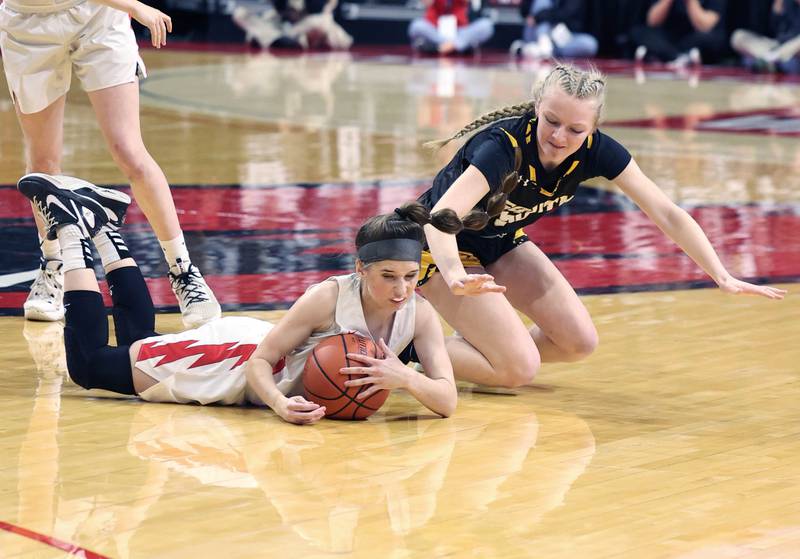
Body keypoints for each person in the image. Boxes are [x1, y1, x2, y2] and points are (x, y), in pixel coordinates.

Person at [414, 63, 787, 389]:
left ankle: (486, 349)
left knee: (578, 342)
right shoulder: (504, 146)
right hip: (433, 246)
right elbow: (440, 218)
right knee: (518, 370)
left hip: (497, 241)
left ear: (593, 128)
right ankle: (406, 347)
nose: (559, 137)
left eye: (575, 130)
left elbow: (667, 212)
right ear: (537, 108)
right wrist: (455, 274)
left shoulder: (599, 152)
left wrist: (721, 275)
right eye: (552, 121)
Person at [16, 173, 458, 425]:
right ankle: (74, 230)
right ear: (361, 269)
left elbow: (447, 401)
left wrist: (404, 378)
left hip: (250, 371)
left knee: (141, 342)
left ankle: (106, 224)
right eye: (388, 277)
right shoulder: (327, 297)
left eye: (409, 276)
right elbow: (259, 364)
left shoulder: (419, 315)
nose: (402, 289)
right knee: (89, 366)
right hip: (232, 363)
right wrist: (281, 404)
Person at [0, 0, 220, 327]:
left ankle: (184, 271)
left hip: (98, 14)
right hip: (27, 22)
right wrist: (135, 6)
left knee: (128, 149)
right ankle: (53, 266)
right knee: (43, 162)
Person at [629, 0, 728, 66]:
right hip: (668, 38)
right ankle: (678, 57)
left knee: (715, 39)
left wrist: (690, 2)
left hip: (694, 38)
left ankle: (671, 57)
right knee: (639, 32)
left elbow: (705, 26)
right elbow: (653, 22)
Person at [510, 0, 598, 59]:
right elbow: (524, 12)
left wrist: (540, 16)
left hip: (560, 38)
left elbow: (567, 14)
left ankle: (531, 50)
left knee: (590, 44)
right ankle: (543, 45)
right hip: (536, 33)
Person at [731, 0, 800, 74]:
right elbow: (774, 30)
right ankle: (770, 60)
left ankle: (769, 59)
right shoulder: (786, 3)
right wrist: (777, 11)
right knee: (738, 35)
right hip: (777, 46)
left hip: (793, 49)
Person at [408, 0, 494, 55]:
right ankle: (454, 46)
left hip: (459, 31)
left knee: (486, 25)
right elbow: (426, 2)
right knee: (417, 26)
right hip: (437, 29)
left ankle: (452, 46)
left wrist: (455, 43)